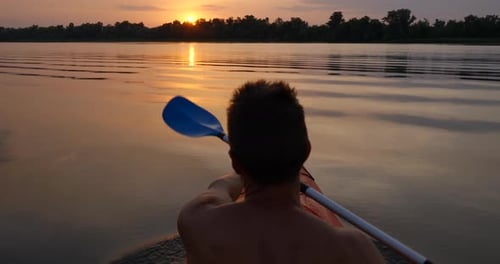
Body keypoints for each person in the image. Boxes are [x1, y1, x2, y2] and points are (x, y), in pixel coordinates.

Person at [177, 80, 384, 264]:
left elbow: (218, 189)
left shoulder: (196, 222)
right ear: (306, 151)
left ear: (235, 162)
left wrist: (246, 163)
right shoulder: (352, 249)